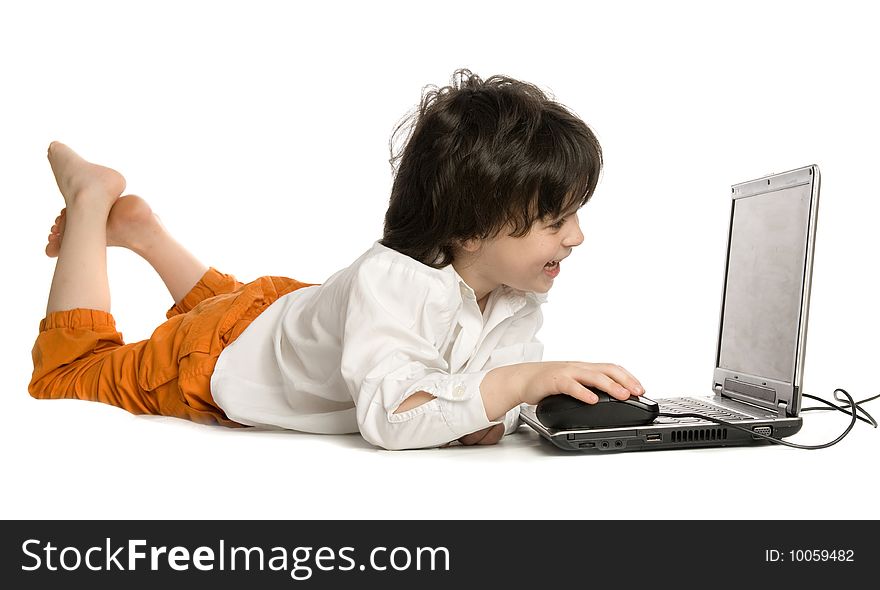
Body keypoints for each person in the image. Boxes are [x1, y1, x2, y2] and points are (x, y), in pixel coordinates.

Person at [29, 68, 645, 450]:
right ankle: (92, 197)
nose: (577, 238)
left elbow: (480, 405)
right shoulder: (393, 281)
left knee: (242, 308)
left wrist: (495, 414)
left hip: (283, 315)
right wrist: (517, 385)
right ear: (473, 228)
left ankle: (144, 232)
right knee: (68, 375)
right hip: (216, 357)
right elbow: (388, 415)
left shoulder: (517, 295)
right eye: (556, 221)